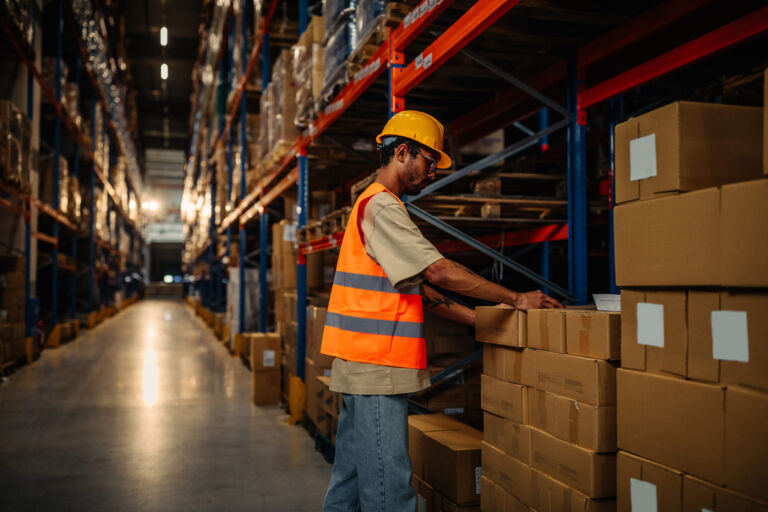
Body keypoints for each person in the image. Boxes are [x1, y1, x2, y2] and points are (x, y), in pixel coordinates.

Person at [320, 110, 563, 512]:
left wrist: (478, 319)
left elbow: (420, 290)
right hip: (377, 367)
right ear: (402, 152)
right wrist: (516, 299)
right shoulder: (381, 206)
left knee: (350, 479)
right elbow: (438, 272)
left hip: (359, 364)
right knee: (388, 490)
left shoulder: (373, 205)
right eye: (429, 162)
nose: (432, 173)